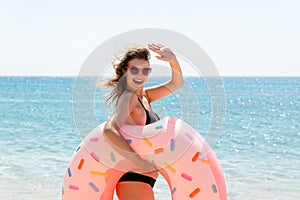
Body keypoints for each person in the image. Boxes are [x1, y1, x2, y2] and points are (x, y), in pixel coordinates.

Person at [102, 43, 184, 200]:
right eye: (134, 70)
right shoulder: (129, 97)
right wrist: (141, 164)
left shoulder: (144, 97)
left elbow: (177, 83)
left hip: (142, 180)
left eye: (145, 70)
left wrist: (173, 60)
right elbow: (109, 130)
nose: (140, 75)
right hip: (133, 178)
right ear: (126, 71)